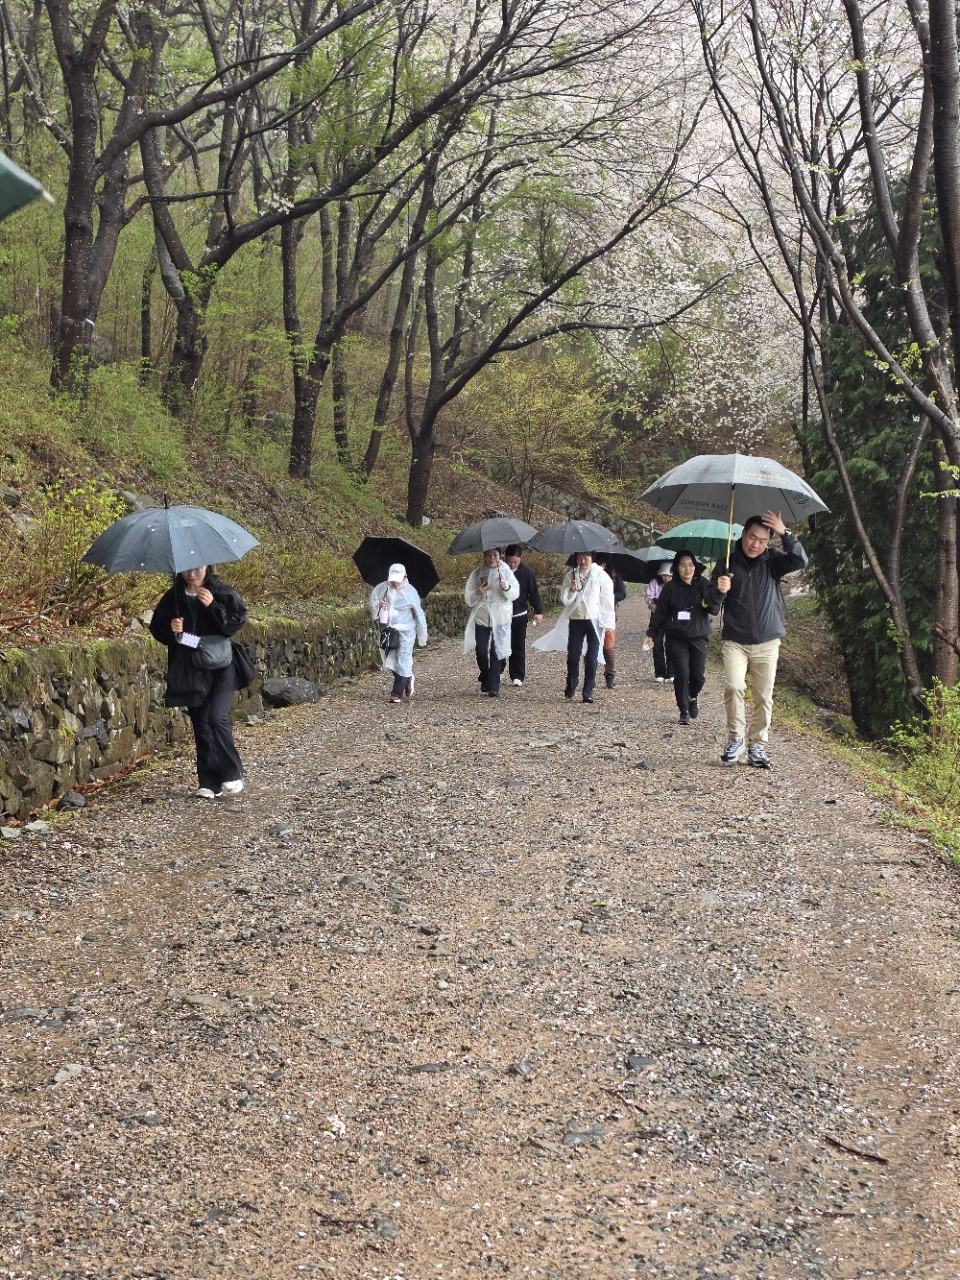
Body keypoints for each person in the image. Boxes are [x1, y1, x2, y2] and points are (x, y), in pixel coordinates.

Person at [706, 511, 808, 768]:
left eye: (763, 540)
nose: (756, 544)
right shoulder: (726, 563)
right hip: (735, 640)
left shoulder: (773, 561)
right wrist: (719, 591)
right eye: (752, 537)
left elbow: (800, 560)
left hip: (767, 639)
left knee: (763, 696)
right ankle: (736, 739)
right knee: (734, 686)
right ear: (743, 534)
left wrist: (786, 533)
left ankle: (757, 746)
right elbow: (711, 606)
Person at [149, 565, 255, 799]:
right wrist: (171, 629)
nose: (192, 574)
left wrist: (212, 606)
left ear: (207, 566)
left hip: (222, 665)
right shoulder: (174, 596)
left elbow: (234, 624)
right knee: (200, 724)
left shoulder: (220, 591)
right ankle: (208, 782)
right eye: (186, 569)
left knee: (217, 718)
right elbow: (157, 629)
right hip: (191, 666)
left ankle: (232, 773)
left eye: (197, 568)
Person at [642, 550, 718, 725]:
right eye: (683, 565)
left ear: (696, 567)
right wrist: (651, 634)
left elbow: (714, 609)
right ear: (677, 567)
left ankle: (692, 697)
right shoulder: (670, 588)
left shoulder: (704, 585)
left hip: (698, 636)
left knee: (698, 676)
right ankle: (683, 709)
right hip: (676, 637)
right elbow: (660, 613)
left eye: (691, 565)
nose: (687, 568)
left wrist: (711, 600)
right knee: (682, 674)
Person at [533, 550, 615, 703]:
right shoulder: (571, 575)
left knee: (591, 657)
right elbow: (565, 600)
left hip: (594, 620)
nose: (582, 561)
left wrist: (609, 622)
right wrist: (571, 590)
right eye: (579, 558)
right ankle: (571, 684)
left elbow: (607, 600)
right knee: (573, 656)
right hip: (576, 619)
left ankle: (588, 691)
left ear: (592, 558)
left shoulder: (600, 575)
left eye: (586, 558)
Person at [369, 563, 428, 704]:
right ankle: (407, 677)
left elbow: (419, 613)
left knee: (403, 659)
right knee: (391, 661)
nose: (395, 582)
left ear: (404, 577)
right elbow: (373, 603)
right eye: (392, 579)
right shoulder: (383, 588)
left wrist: (422, 632)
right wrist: (379, 605)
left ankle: (396, 693)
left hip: (407, 630)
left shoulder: (411, 592)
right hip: (390, 630)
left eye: (398, 579)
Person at [464, 548, 519, 697]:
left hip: (500, 616)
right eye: (488, 555)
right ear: (484, 556)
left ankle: (494, 686)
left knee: (496, 651)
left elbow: (515, 593)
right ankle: (486, 676)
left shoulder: (505, 571)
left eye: (494, 555)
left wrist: (506, 587)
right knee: (481, 651)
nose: (491, 558)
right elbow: (468, 597)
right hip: (482, 616)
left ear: (499, 556)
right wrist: (477, 592)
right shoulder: (477, 572)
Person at [503, 544, 543, 687]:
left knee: (518, 645)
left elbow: (533, 593)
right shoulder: (499, 571)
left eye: (515, 561)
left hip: (519, 614)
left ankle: (517, 674)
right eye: (510, 561)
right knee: (499, 642)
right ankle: (498, 669)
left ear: (520, 559)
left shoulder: (526, 572)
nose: (512, 564)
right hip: (501, 614)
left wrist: (538, 611)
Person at [593, 551, 627, 689]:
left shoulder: (613, 575)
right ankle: (591, 677)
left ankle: (610, 675)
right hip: (592, 614)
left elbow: (622, 593)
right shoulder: (586, 575)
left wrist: (608, 597)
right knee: (591, 647)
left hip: (609, 615)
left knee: (608, 647)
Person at [645, 562, 674, 682]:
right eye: (664, 575)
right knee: (657, 644)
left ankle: (672, 672)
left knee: (671, 644)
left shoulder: (676, 585)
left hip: (671, 617)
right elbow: (647, 597)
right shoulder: (654, 583)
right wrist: (654, 601)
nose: (666, 578)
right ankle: (660, 672)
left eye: (669, 575)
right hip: (656, 615)